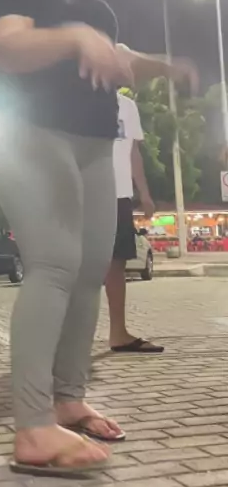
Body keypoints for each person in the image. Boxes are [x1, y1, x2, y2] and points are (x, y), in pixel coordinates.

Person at [0, 0, 197, 477]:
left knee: (91, 268)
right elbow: (6, 47)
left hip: (97, 141)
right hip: (32, 134)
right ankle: (32, 425)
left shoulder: (80, 0)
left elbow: (117, 60)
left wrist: (164, 67)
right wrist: (75, 37)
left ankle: (68, 400)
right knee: (53, 264)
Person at [105, 92, 164, 353]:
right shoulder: (75, 96)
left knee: (117, 262)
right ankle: (68, 337)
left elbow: (133, 153)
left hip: (120, 194)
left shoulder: (126, 106)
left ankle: (118, 333)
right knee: (78, 265)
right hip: (85, 192)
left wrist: (145, 193)